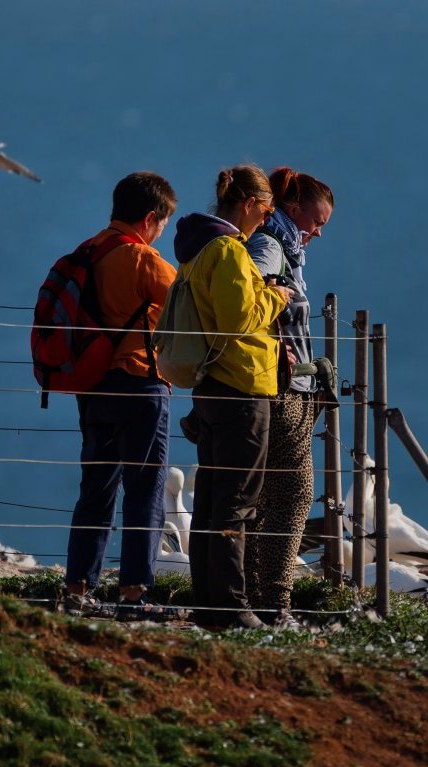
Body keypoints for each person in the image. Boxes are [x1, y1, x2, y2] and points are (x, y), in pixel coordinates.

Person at [172, 164, 292, 629]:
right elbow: (240, 318)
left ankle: (211, 602)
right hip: (241, 385)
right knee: (237, 502)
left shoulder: (198, 249)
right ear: (247, 205)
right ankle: (231, 606)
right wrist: (275, 295)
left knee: (213, 500)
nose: (264, 222)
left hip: (214, 386)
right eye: (263, 212)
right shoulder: (227, 250)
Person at [64, 171, 180, 622]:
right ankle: (134, 593)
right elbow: (187, 308)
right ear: (151, 218)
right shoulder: (144, 260)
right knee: (146, 489)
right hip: (140, 383)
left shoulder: (87, 252)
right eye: (163, 225)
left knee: (95, 488)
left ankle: (78, 585)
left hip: (93, 386)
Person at [243, 169, 334, 625]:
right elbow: (246, 301)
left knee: (261, 496)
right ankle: (274, 602)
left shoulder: (283, 246)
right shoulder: (271, 246)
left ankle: (252, 594)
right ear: (292, 208)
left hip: (281, 385)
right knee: (295, 494)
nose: (318, 232)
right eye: (316, 221)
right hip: (281, 388)